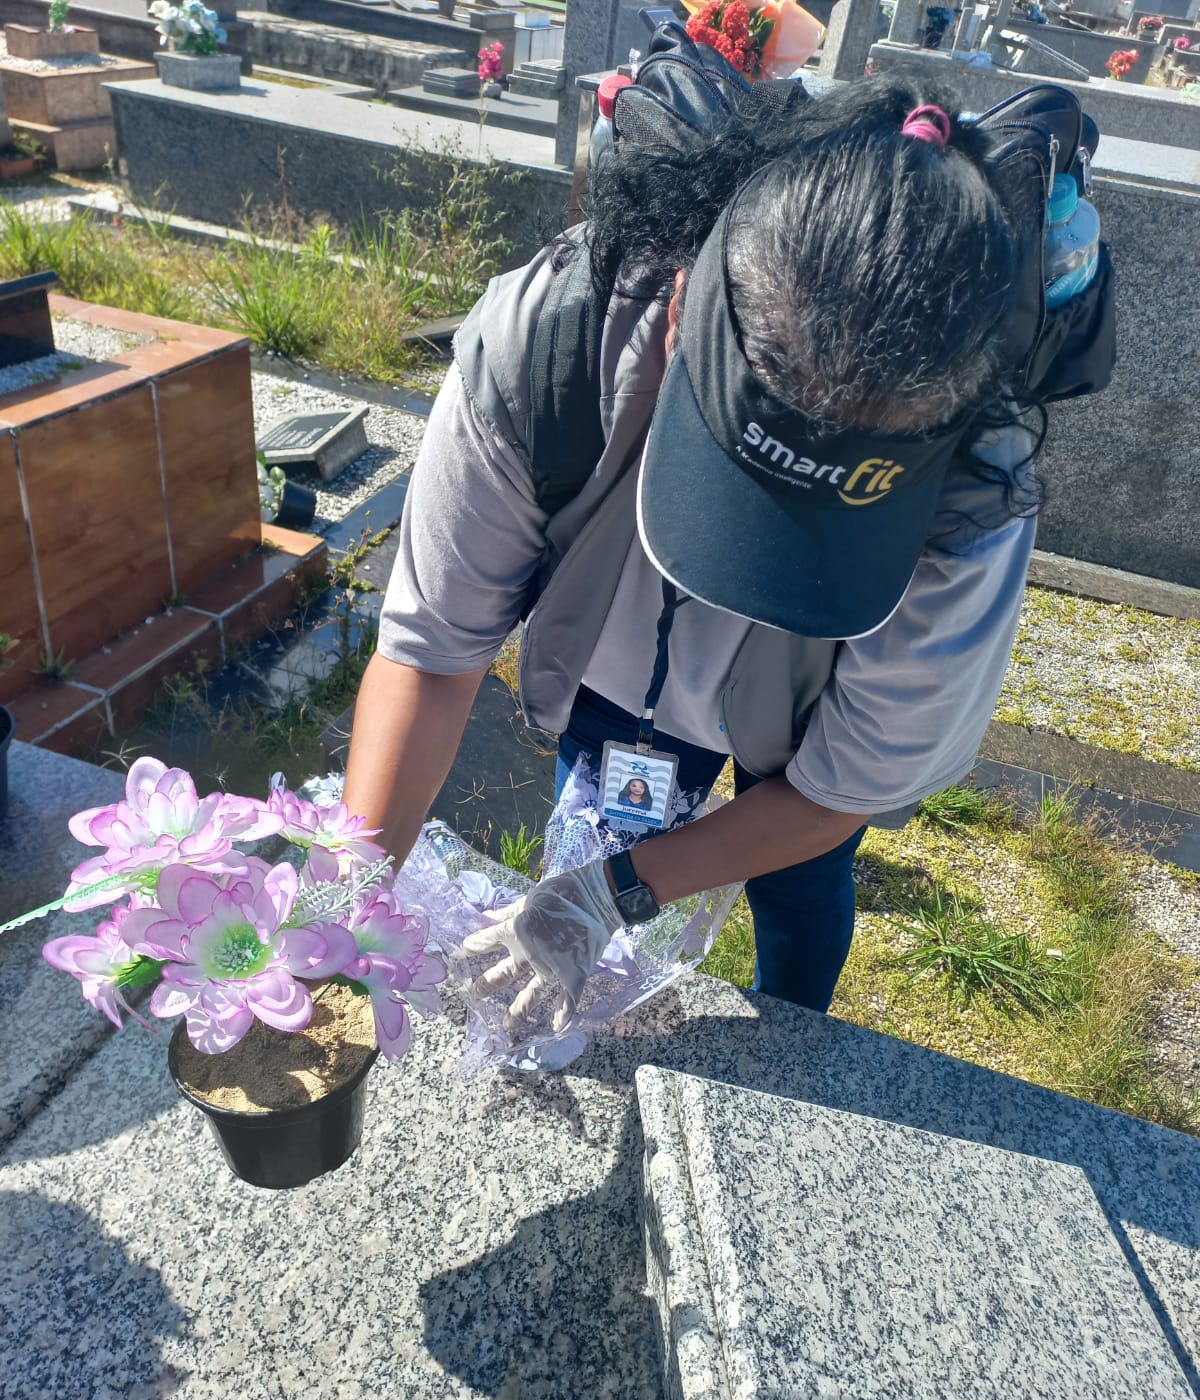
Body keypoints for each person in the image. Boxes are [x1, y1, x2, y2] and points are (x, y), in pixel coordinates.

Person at [344, 76, 1044, 1036]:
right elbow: (431, 652)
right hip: (615, 657)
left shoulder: (974, 503)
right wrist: (348, 899)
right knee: (594, 808)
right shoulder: (546, 351)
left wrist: (617, 895)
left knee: (800, 874)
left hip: (794, 724)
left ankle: (796, 1034)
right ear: (680, 308)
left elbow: (839, 787)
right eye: (733, 481)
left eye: (818, 520)